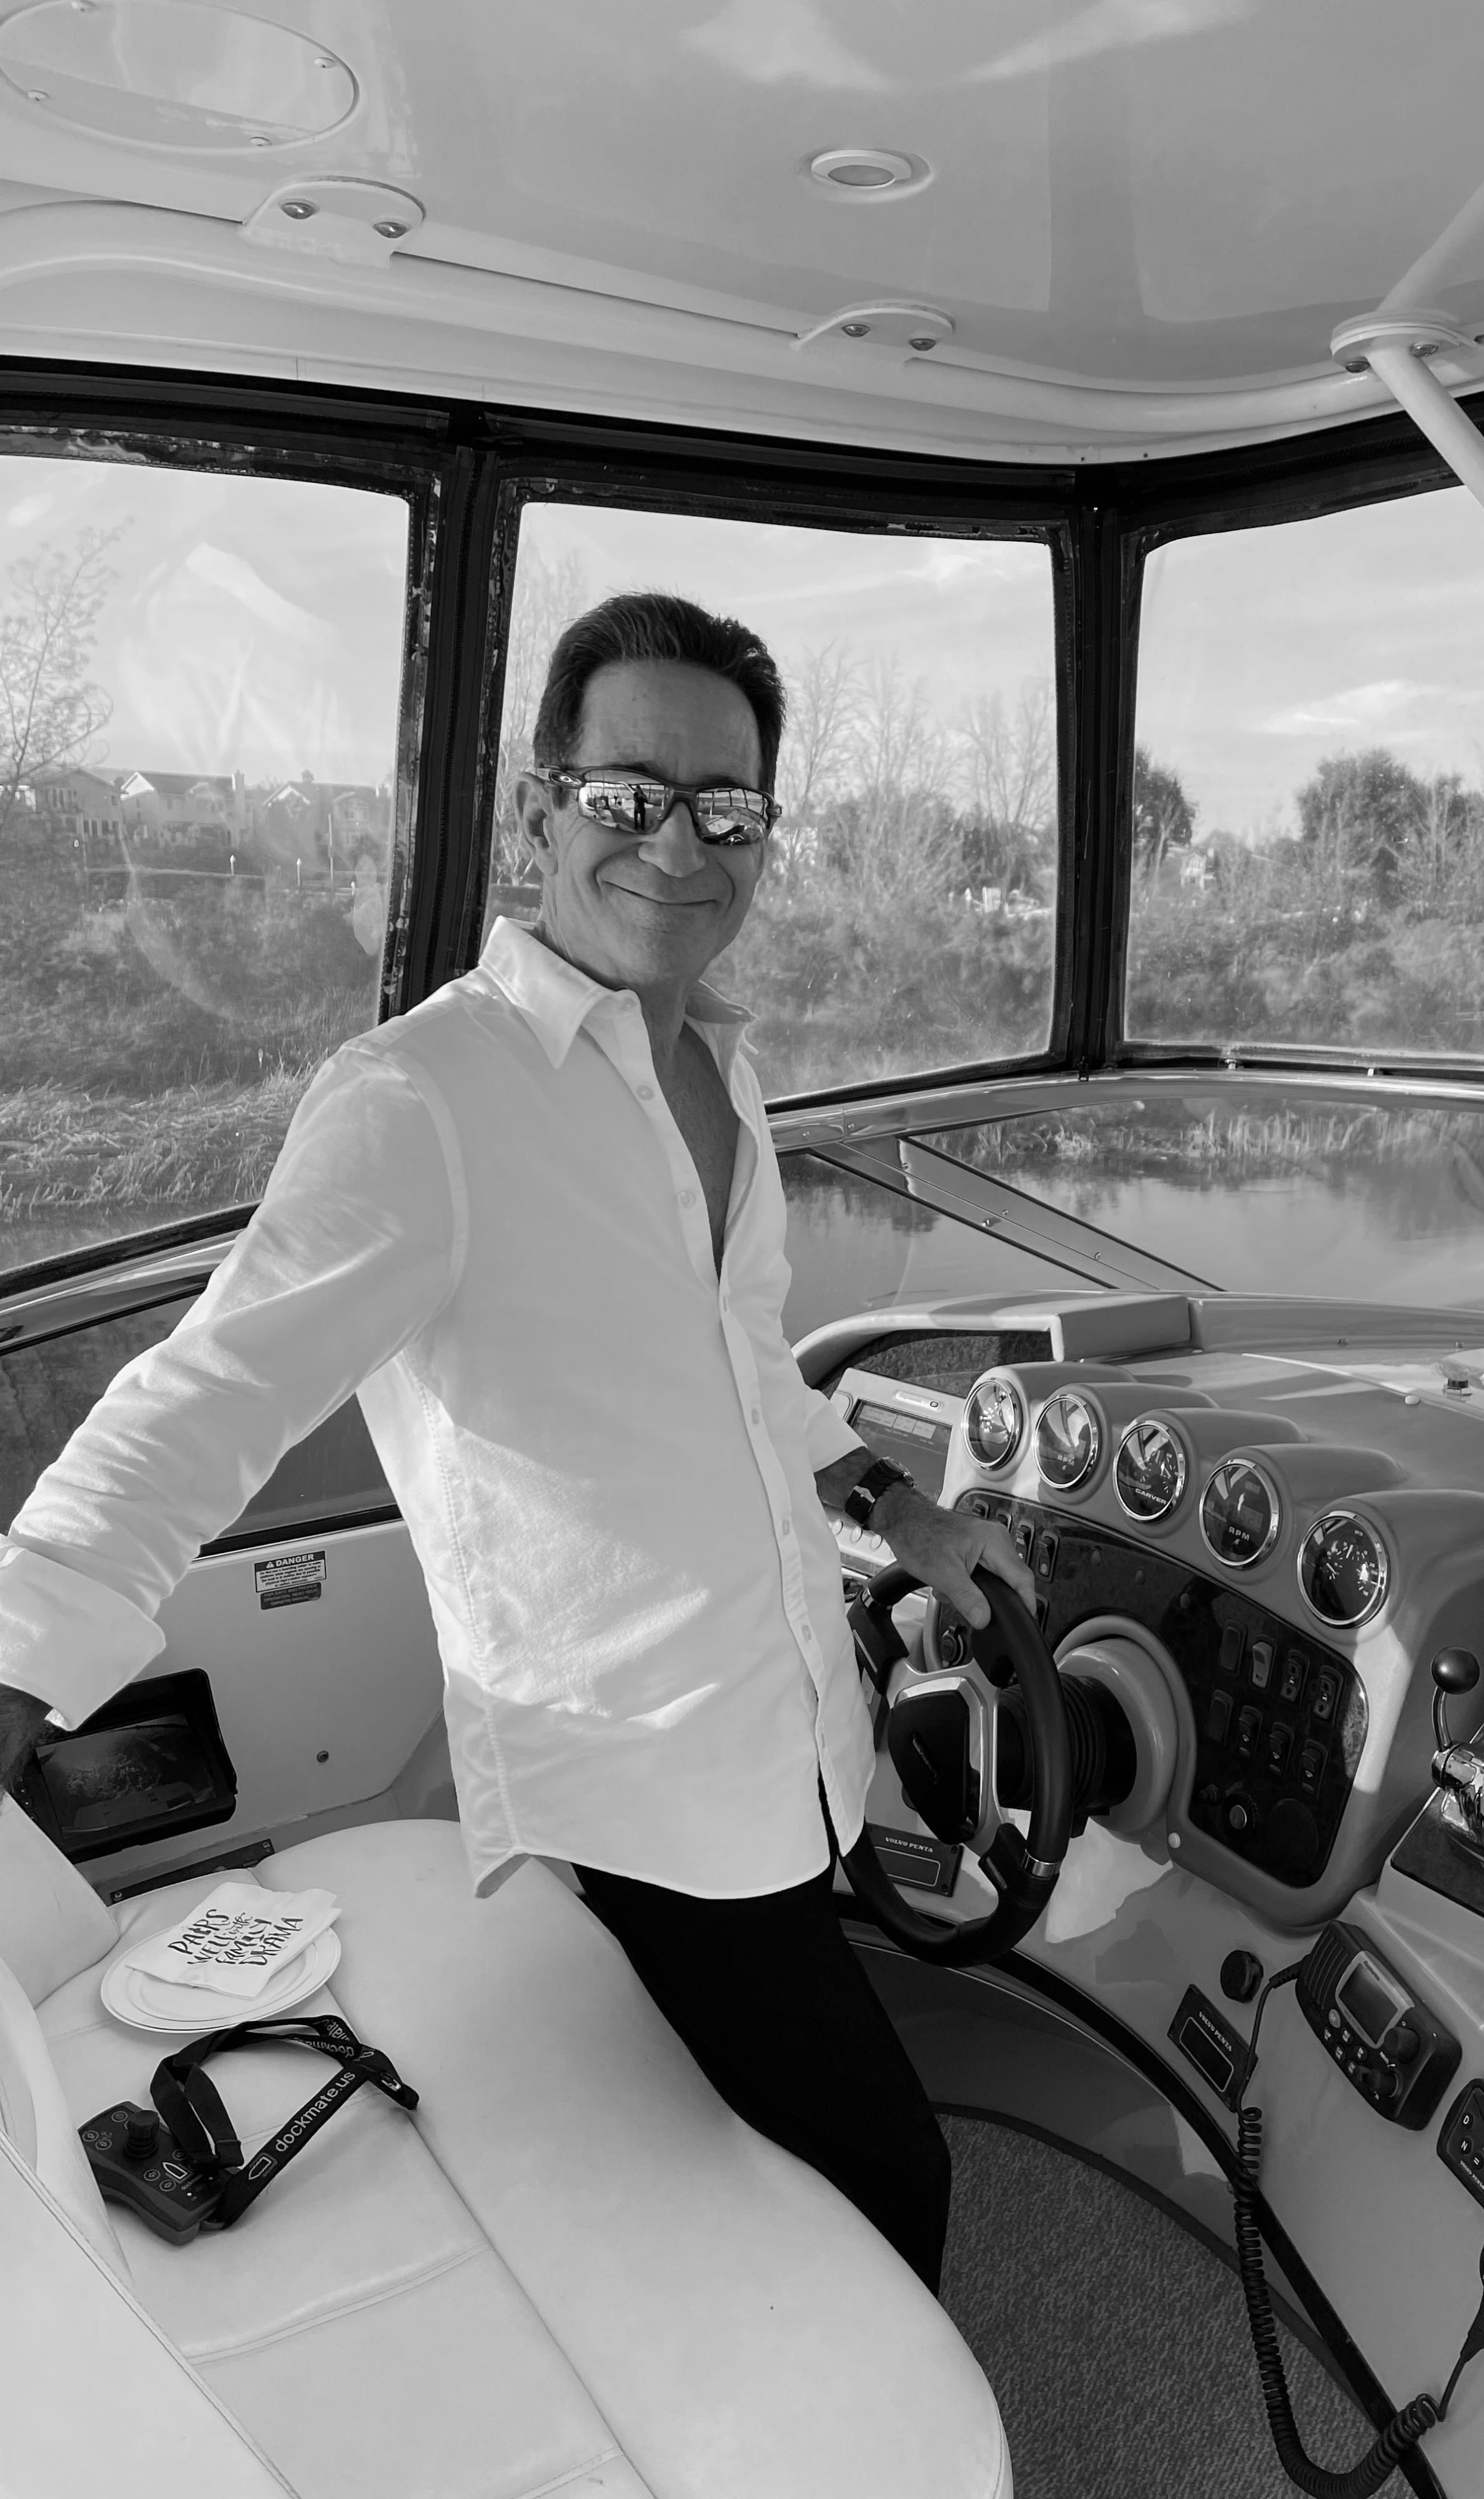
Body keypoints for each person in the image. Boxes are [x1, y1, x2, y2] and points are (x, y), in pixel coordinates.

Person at [0, 590, 1032, 2295]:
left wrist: (899, 1508)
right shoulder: (425, 1104)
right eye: (630, 796)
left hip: (792, 1757)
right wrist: (17, 1670)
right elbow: (197, 1412)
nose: (678, 848)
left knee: (755, 2174)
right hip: (634, 1803)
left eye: (728, 812)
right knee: (886, 2172)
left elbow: (743, 1362)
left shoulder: (722, 1073)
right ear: (544, 808)